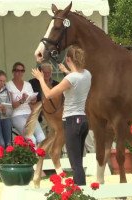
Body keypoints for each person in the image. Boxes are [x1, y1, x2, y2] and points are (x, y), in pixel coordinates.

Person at [32, 45, 92, 186]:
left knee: (75, 164)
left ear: (69, 59)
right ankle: (80, 191)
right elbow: (76, 76)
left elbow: (49, 94)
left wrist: (40, 78)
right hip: (83, 120)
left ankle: (79, 192)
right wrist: (66, 71)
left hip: (71, 122)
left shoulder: (71, 78)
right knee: (78, 161)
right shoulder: (87, 74)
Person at [6, 62, 45, 146]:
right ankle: (34, 159)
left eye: (22, 70)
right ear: (13, 72)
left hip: (29, 113)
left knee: (42, 138)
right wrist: (22, 100)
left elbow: (32, 102)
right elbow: (12, 105)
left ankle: (39, 157)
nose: (20, 73)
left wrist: (33, 99)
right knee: (31, 139)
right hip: (17, 115)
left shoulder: (27, 85)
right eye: (17, 70)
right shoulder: (8, 85)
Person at [29, 62, 59, 134]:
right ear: (40, 72)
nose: (47, 74)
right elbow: (30, 99)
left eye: (49, 72)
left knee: (52, 136)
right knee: (41, 137)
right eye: (45, 72)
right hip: (39, 115)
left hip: (52, 115)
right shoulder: (32, 83)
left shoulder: (56, 84)